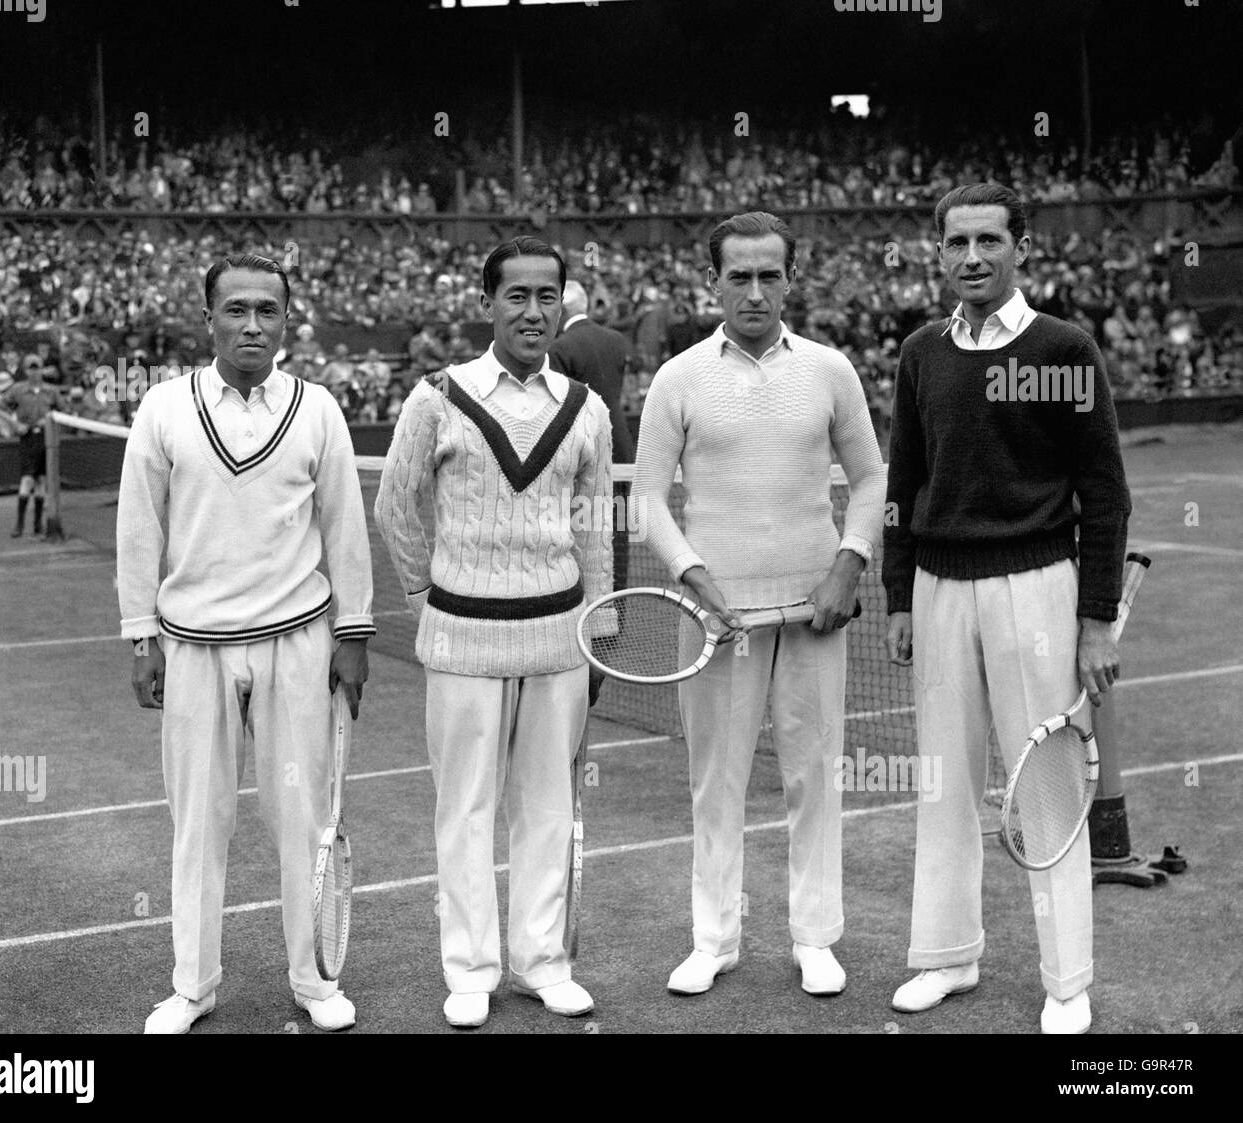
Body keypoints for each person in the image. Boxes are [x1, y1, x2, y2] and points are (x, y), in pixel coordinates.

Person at [883, 184, 1130, 1035]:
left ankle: (1068, 982)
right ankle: (947, 957)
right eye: (958, 243)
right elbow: (903, 482)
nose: (974, 257)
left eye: (990, 239)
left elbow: (1104, 491)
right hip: (939, 588)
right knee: (943, 781)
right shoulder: (919, 351)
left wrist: (1096, 618)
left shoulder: (1063, 346)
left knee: (1050, 787)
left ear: (1021, 246)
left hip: (1038, 585)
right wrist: (898, 594)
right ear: (940, 253)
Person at [117, 253, 375, 1034]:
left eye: (268, 308)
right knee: (200, 822)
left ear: (287, 320)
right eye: (236, 309)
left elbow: (344, 526)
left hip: (298, 641)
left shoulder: (318, 408)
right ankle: (193, 985)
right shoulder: (163, 407)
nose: (252, 323)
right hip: (194, 645)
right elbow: (139, 528)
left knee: (302, 819)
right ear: (209, 320)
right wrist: (140, 635)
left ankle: (314, 979)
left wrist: (355, 630)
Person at [634, 211, 886, 999]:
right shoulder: (677, 378)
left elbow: (872, 478)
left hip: (815, 614)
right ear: (711, 282)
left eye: (767, 274)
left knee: (815, 775)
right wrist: (694, 575)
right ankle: (715, 938)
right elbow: (646, 497)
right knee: (717, 780)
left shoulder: (831, 370)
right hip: (713, 622)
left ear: (790, 279)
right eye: (737, 275)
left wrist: (850, 564)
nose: (753, 290)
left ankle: (815, 938)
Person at [375, 236, 613, 1030]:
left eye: (548, 296)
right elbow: (396, 505)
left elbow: (595, 532)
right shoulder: (436, 397)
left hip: (557, 641)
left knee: (547, 807)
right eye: (517, 296)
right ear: (487, 304)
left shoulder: (587, 410)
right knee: (466, 808)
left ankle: (543, 961)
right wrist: (424, 594)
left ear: (563, 303)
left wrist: (598, 624)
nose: (534, 311)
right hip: (462, 640)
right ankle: (470, 967)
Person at [548, 280, 635, 465]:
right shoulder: (616, 339)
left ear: (561, 309)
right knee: (621, 495)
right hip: (619, 438)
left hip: (581, 448)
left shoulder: (559, 348)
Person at [4, 357, 61, 538]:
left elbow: (63, 410)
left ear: (42, 370)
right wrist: (15, 425)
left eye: (37, 368)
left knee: (42, 481)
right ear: (25, 370)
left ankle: (38, 524)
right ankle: (20, 524)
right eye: (31, 368)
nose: (34, 372)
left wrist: (50, 418)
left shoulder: (51, 391)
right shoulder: (18, 391)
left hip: (46, 438)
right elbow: (1, 408)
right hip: (28, 438)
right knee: (27, 479)